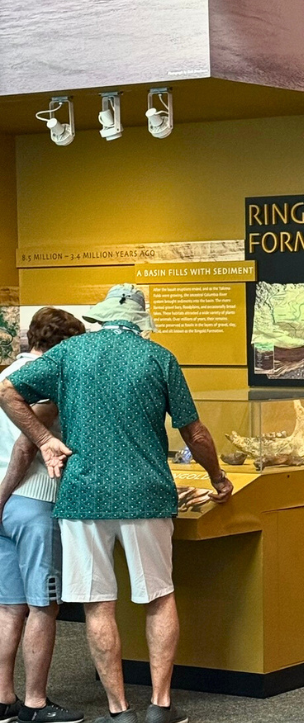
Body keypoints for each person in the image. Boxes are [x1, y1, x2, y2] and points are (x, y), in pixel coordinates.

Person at [0, 285, 235, 723]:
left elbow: (8, 390)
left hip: (83, 496)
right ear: (140, 322)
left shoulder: (69, 353)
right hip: (147, 494)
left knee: (97, 604)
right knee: (159, 597)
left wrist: (45, 440)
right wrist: (217, 477)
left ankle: (118, 710)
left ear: (102, 316)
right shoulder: (159, 358)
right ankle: (160, 705)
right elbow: (195, 432)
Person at [0, 308, 86, 723]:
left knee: (9, 607)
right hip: (34, 502)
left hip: (5, 510)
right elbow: (26, 445)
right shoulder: (47, 382)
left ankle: (4, 698)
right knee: (43, 606)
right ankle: (35, 703)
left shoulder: (7, 374)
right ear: (65, 344)